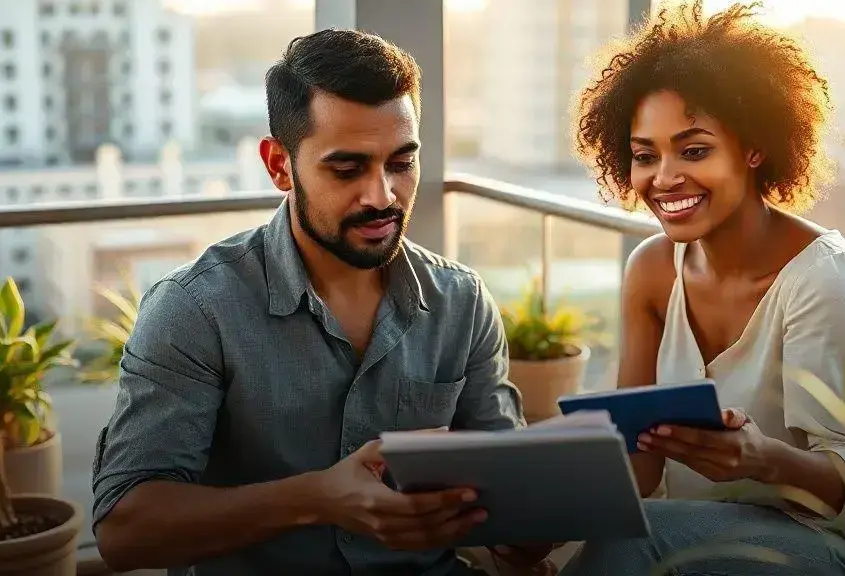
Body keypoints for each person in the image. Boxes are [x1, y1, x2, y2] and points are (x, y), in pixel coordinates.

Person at [91, 29, 557, 576]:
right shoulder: (195, 309)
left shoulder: (462, 301)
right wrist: (316, 499)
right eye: (347, 169)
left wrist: (529, 527)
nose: (382, 196)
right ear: (279, 165)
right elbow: (124, 533)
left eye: (401, 163)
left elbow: (510, 502)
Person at [561, 2, 845, 575]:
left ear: (754, 147)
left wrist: (762, 460)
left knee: (632, 544)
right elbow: (638, 467)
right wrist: (541, 508)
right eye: (645, 156)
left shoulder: (826, 279)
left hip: (828, 544)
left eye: (694, 151)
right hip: (693, 537)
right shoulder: (652, 269)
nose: (664, 178)